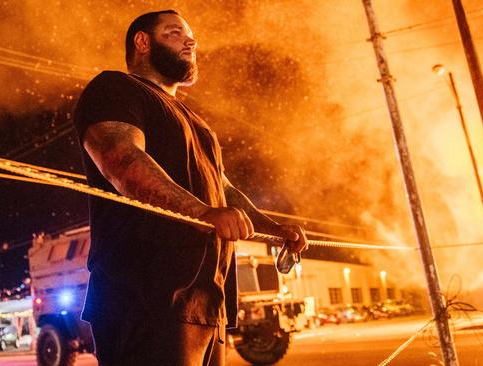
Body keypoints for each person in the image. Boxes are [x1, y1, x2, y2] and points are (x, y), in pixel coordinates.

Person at [73, 9, 308, 366]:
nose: (191, 41)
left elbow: (221, 189)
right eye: (174, 32)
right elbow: (120, 160)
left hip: (205, 300)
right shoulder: (116, 88)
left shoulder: (195, 122)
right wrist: (202, 213)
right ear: (142, 42)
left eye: (191, 36)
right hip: (146, 295)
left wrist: (273, 230)